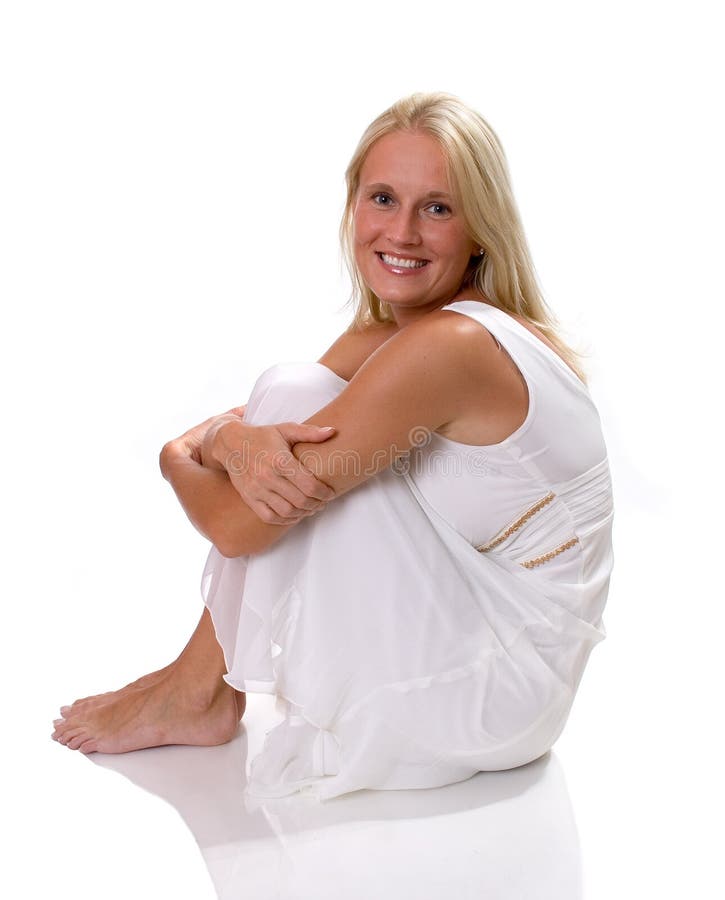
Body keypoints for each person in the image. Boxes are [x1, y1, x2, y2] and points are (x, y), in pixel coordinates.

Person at [52, 92, 614, 801]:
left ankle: (197, 689)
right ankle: (198, 687)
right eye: (382, 198)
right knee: (294, 397)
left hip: (491, 701)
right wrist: (228, 437)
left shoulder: (453, 347)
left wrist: (177, 457)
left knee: (292, 404)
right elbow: (257, 441)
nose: (401, 232)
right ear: (353, 207)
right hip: (486, 661)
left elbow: (237, 523)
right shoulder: (406, 338)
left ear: (480, 229)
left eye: (437, 208)